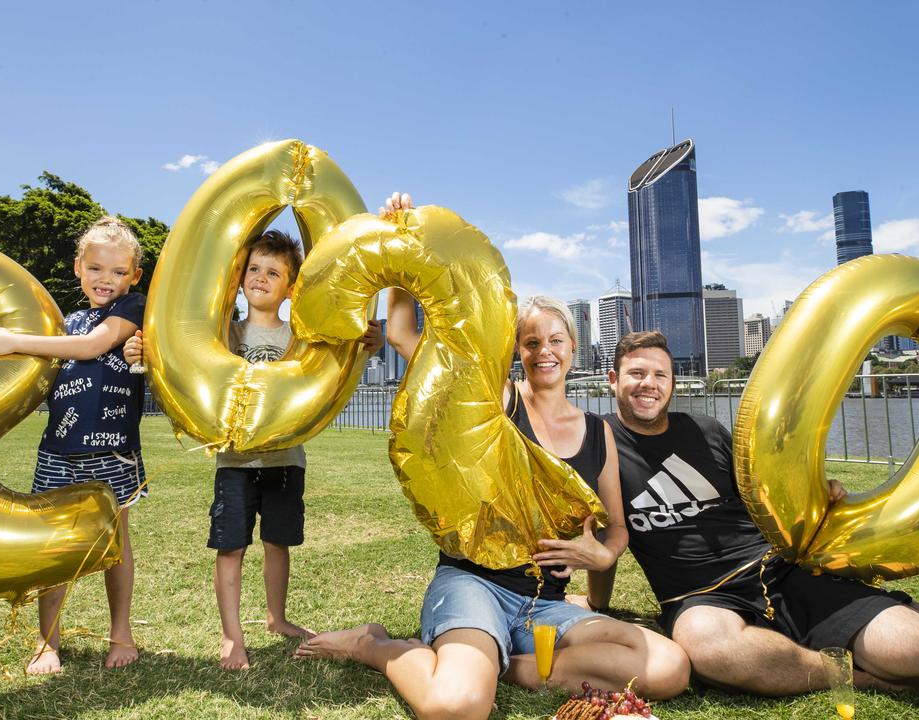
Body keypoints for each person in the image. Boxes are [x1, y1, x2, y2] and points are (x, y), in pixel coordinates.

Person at [295, 194, 689, 719]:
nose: (543, 351)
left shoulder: (600, 433)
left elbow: (615, 530)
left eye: (554, 339)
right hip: (473, 583)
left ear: (573, 346)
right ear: (516, 349)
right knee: (457, 707)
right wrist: (397, 243)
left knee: (668, 666)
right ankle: (374, 644)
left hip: (544, 605)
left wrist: (603, 556)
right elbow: (402, 334)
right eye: (530, 342)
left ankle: (513, 667)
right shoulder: (493, 399)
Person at [602, 330, 919, 699]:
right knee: (710, 649)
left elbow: (766, 492)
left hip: (779, 571)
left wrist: (820, 492)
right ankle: (864, 679)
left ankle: (838, 641)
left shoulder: (706, 431)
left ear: (672, 383)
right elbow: (603, 536)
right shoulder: (601, 446)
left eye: (659, 375)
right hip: (700, 598)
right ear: (613, 380)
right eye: (637, 374)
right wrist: (597, 603)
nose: (648, 384)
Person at [124, 229, 382, 670]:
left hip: (285, 460)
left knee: (278, 543)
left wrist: (369, 341)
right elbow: (177, 353)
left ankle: (277, 618)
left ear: (291, 286)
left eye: (274, 272)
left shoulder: (302, 338)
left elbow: (341, 358)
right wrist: (138, 351)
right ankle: (231, 637)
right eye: (253, 269)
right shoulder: (224, 332)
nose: (261, 278)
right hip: (235, 463)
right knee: (231, 547)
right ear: (239, 277)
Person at [0, 216, 147, 675]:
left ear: (134, 277)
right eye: (97, 268)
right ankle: (48, 643)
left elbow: (89, 348)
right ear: (78, 268)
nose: (107, 280)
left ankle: (120, 634)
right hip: (58, 452)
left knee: (115, 546)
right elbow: (34, 366)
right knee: (54, 550)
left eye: (119, 272)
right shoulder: (65, 322)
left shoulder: (133, 310)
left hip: (112, 452)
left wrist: (12, 340)